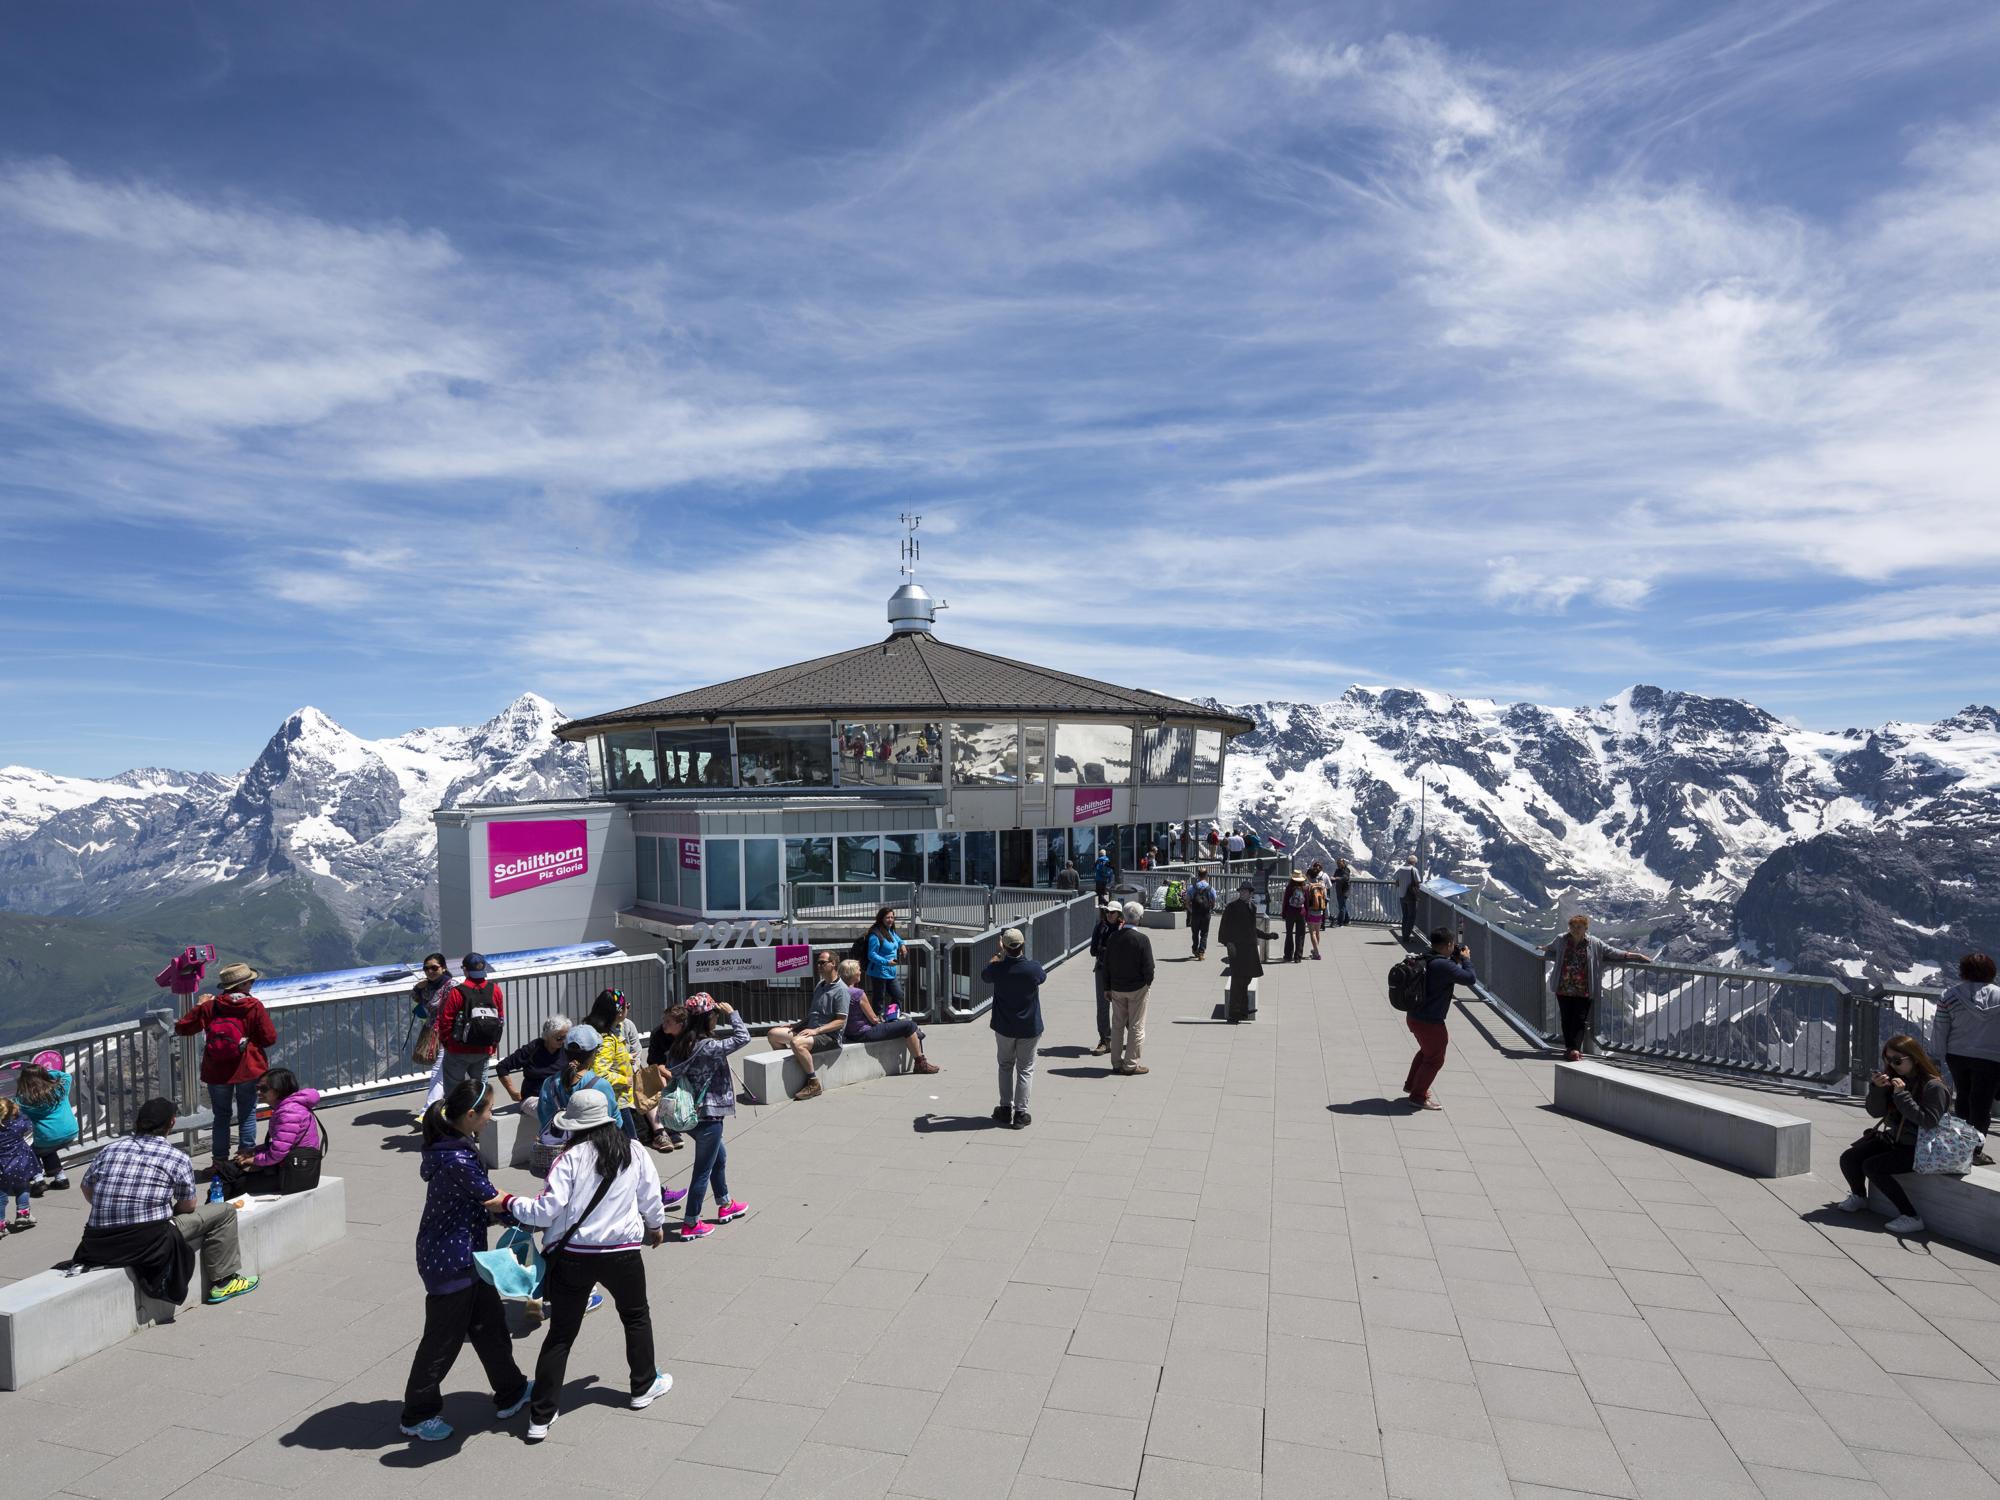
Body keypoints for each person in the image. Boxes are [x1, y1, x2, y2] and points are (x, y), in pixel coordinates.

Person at [508, 1086, 671, 1441]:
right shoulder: (634, 1150)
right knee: (635, 1316)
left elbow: (547, 1210)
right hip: (623, 1252)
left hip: (574, 1256)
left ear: (576, 1126)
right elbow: (650, 1196)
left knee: (561, 1335)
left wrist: (510, 1203)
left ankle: (541, 1416)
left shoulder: (569, 1158)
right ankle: (643, 1386)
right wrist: (655, 1226)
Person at [400, 1079, 534, 1442]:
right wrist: (535, 1214)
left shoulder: (456, 1147)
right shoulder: (457, 1158)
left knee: (490, 1328)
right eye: (489, 1110)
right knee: (441, 1342)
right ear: (470, 1114)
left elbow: (481, 1205)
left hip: (467, 1257)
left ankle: (511, 1390)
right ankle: (417, 1413)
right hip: (450, 1263)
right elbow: (491, 1199)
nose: (492, 1117)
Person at [66, 1097, 259, 1306]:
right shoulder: (176, 1157)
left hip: (98, 1242)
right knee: (224, 1211)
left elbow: (86, 1187)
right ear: (172, 1123)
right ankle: (225, 1281)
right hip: (148, 1241)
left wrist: (112, 1207)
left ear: (137, 1122)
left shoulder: (110, 1150)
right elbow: (189, 1206)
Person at [1834, 1033, 1952, 1234]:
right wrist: (1878, 1089)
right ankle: (1859, 1196)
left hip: (1921, 1147)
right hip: (1895, 1140)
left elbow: (1929, 1122)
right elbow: (1875, 1112)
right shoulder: (1899, 1080)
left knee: (1873, 1167)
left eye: (1897, 1060)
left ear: (1914, 1058)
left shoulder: (1934, 1086)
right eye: (1888, 1060)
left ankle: (1911, 1216)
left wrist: (1902, 1096)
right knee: (1849, 1158)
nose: (1892, 1065)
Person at [655, 994, 751, 1241]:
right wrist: (733, 1013)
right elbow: (743, 1037)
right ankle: (691, 1223)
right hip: (709, 1115)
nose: (717, 1018)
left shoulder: (680, 1045)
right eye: (715, 1015)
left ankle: (725, 1203)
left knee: (719, 1158)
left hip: (689, 1114)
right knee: (702, 1170)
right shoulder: (708, 1046)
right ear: (709, 1018)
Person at [173, 962, 278, 1171]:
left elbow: (182, 1027)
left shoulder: (211, 1006)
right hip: (247, 1068)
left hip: (216, 1069)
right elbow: (269, 1038)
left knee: (221, 1115)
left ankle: (219, 1162)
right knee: (247, 1112)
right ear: (243, 984)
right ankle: (245, 1157)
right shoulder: (253, 1005)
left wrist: (200, 1006)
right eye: (251, 981)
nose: (252, 985)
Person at [1544, 915, 1652, 1062]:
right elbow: (1551, 947)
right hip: (1563, 987)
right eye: (1573, 926)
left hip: (1584, 988)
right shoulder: (1561, 939)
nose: (1575, 930)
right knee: (1566, 1018)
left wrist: (1635, 956)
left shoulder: (1594, 943)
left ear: (1585, 928)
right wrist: (1542, 948)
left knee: (1580, 1019)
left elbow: (1613, 952)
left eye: (1579, 927)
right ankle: (1570, 1048)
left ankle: (1574, 1049)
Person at [1935, 953, 2000, 1167]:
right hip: (1991, 1057)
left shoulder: (1949, 996)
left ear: (1963, 971)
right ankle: (1976, 1150)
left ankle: (1960, 1146)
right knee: (1981, 1104)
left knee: (1962, 1097)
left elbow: (1941, 1028)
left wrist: (1936, 1056)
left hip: (1958, 1055)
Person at [217, 1069, 322, 1196]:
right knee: (229, 1169)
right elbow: (282, 1145)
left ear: (279, 1090)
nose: (258, 1092)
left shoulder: (288, 1113)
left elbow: (277, 1154)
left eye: (264, 1089)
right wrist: (253, 1151)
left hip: (292, 1173)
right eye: (257, 1087)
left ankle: (214, 1212)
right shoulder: (288, 1107)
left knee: (231, 1179)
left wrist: (252, 1160)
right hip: (291, 1166)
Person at [767, 951, 854, 1102]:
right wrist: (797, 1025)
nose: (818, 966)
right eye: (818, 963)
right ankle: (792, 1066)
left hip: (829, 1036)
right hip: (811, 1031)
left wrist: (816, 1030)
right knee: (773, 1034)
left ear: (833, 963)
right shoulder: (820, 985)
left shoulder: (841, 990)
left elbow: (841, 1021)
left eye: (822, 963)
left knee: (797, 1043)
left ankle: (813, 1082)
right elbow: (814, 1014)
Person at [1405, 929, 1476, 1111]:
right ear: (1449, 945)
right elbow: (1470, 978)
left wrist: (1455, 961)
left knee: (1426, 1053)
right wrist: (1466, 959)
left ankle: (1413, 1085)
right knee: (1435, 1059)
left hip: (1414, 1016)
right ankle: (1418, 1096)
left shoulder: (1427, 957)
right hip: (1430, 1021)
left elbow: (1443, 971)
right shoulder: (1444, 966)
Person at [982, 929, 1045, 1128]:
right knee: (1025, 1069)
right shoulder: (1032, 968)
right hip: (1029, 1026)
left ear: (1004, 946)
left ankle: (1005, 1108)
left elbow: (985, 975)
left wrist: (998, 958)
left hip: (1004, 1026)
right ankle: (1020, 1113)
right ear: (1022, 945)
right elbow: (1042, 977)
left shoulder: (997, 968)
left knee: (1005, 1066)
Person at [841, 958, 941, 1074]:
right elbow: (873, 1020)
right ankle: (920, 1063)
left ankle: (920, 1056)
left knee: (901, 1025)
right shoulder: (857, 993)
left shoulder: (838, 990)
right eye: (858, 970)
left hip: (848, 1032)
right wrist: (883, 1019)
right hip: (863, 1032)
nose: (860, 972)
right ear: (853, 973)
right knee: (909, 1026)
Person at [433, 952, 506, 1098]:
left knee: (454, 1090)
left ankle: (455, 1118)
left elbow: (446, 1020)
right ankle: (479, 1116)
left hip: (458, 1049)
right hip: (484, 1048)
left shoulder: (458, 992)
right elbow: (500, 1019)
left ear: (465, 970)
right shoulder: (495, 990)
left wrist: (447, 1043)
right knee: (480, 1089)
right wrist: (493, 1045)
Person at [1101, 901, 1156, 1076]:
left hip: (1117, 987)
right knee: (1136, 1026)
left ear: (1123, 917)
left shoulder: (1113, 938)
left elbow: (1106, 964)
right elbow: (1149, 967)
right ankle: (1131, 1064)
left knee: (1117, 1025)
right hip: (1137, 988)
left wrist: (1107, 987)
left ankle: (1116, 1062)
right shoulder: (1142, 939)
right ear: (1139, 919)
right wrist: (1147, 983)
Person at [582, 991, 639, 1136]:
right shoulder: (607, 1039)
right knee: (631, 1146)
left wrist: (625, 1057)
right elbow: (599, 1073)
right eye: (626, 1005)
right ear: (619, 1012)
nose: (628, 1008)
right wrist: (625, 1080)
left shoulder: (606, 1031)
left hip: (615, 1100)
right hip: (615, 1101)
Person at [15, 1061, 78, 1193]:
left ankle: (38, 1180)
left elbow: (14, 1107)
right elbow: (66, 1076)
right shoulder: (60, 1089)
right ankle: (61, 1179)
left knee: (30, 1152)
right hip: (71, 1131)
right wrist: (45, 1073)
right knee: (47, 1150)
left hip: (47, 1137)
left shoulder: (24, 1100)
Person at [497, 1016, 572, 1111]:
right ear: (547, 1036)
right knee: (553, 1111)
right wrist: (512, 1092)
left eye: (565, 1037)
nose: (563, 1041)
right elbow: (502, 1067)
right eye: (559, 1038)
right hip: (534, 1098)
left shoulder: (566, 1049)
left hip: (559, 1096)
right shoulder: (532, 1049)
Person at [1219, 881, 1267, 1023]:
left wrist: (1267, 935)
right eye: (1241, 891)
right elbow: (1223, 928)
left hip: (1249, 949)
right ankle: (1234, 1013)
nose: (1242, 893)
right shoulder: (1232, 907)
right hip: (1237, 950)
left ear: (1251, 894)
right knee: (1237, 981)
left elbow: (1252, 929)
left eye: (1245, 891)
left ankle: (1244, 1009)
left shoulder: (1252, 907)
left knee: (1246, 979)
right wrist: (1228, 943)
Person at [1088, 900, 1123, 1055]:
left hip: (1119, 972)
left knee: (1123, 1006)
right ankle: (1105, 1040)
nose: (1109, 914)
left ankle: (1132, 1037)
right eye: (1108, 911)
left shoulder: (1124, 929)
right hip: (1102, 969)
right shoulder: (1100, 927)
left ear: (1119, 914)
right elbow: (1093, 951)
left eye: (1113, 912)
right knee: (1102, 1007)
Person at [0, 1096, 39, 1232]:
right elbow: (28, 1124)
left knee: (1, 1196)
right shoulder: (18, 1124)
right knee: (22, 1188)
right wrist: (18, 1112)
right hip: (20, 1164)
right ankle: (23, 1214)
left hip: (1, 1168)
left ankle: (0, 1224)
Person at [863, 908, 906, 1013]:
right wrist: (886, 962)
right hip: (879, 972)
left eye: (892, 917)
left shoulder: (890, 931)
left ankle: (892, 1016)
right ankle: (878, 1020)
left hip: (891, 972)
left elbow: (898, 939)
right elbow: (871, 955)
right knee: (879, 999)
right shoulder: (875, 934)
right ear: (881, 918)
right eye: (887, 917)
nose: (890, 920)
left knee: (899, 995)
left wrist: (902, 945)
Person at [1185, 867, 1216, 960]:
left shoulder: (1192, 887)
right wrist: (1210, 909)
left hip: (1195, 914)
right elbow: (1213, 902)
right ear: (1206, 875)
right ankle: (1201, 953)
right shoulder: (1210, 888)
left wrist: (1191, 910)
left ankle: (1195, 949)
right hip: (1206, 914)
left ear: (1198, 875)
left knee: (1195, 933)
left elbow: (1186, 902)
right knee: (1204, 933)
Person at [1280, 871, 1310, 964]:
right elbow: (1307, 903)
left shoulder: (1289, 888)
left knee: (1289, 934)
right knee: (1300, 935)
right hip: (1301, 914)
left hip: (1290, 913)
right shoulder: (1305, 888)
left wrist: (1284, 913)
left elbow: (1285, 901)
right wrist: (1307, 915)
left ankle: (1288, 955)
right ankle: (1298, 957)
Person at [1305, 862, 1331, 959]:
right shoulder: (1322, 885)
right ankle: (1315, 949)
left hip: (1311, 912)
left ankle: (1316, 953)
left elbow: (1306, 900)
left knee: (1312, 933)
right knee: (1317, 932)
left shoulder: (1308, 886)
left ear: (1308, 876)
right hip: (1320, 911)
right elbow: (1324, 897)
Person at [1393, 856, 1421, 943]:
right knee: (1411, 917)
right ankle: (1406, 937)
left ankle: (1404, 935)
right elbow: (1418, 881)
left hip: (1401, 896)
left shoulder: (1400, 869)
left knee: (1405, 916)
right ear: (1414, 862)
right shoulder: (1413, 870)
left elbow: (1395, 879)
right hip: (1411, 896)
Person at [1333, 858, 1353, 927]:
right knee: (1343, 906)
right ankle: (1347, 921)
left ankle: (1340, 922)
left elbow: (1345, 878)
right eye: (1337, 863)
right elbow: (1334, 878)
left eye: (1339, 863)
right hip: (1338, 891)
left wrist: (1336, 878)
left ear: (1343, 863)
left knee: (1341, 907)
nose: (1338, 864)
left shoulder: (1346, 870)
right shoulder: (1337, 870)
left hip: (1345, 891)